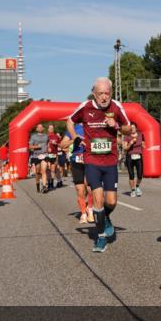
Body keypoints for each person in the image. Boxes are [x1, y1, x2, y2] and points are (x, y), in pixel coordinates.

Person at [67, 77, 134, 253]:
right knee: (97, 199)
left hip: (110, 160)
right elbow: (70, 121)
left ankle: (104, 217)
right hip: (92, 160)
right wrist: (74, 137)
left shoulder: (116, 107)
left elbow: (130, 128)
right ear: (94, 93)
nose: (104, 97)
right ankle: (101, 237)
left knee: (111, 201)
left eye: (107, 93)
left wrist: (117, 125)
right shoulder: (85, 106)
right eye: (100, 93)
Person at [65, 123, 95, 223]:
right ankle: (83, 213)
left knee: (90, 188)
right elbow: (62, 145)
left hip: (91, 159)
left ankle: (90, 210)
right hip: (76, 160)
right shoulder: (73, 129)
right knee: (80, 190)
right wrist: (74, 139)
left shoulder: (94, 126)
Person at [122, 129, 145, 197]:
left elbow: (143, 144)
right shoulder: (126, 136)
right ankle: (133, 190)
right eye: (131, 128)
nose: (132, 129)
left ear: (136, 128)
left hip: (138, 156)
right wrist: (131, 143)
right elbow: (125, 148)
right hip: (130, 157)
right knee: (131, 175)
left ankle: (137, 187)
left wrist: (144, 146)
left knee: (140, 175)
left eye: (134, 128)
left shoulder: (141, 135)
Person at [29, 123, 49, 192]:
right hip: (36, 155)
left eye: (41, 127)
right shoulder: (33, 136)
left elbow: (48, 144)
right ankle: (37, 183)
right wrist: (37, 147)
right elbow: (30, 146)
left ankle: (44, 186)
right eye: (39, 127)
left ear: (43, 128)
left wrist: (49, 148)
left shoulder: (46, 136)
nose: (40, 128)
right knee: (37, 171)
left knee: (44, 170)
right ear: (37, 129)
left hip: (44, 155)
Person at [46, 124, 63, 189]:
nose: (51, 129)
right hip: (47, 154)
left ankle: (51, 184)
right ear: (48, 129)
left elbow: (61, 145)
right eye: (50, 128)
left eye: (52, 128)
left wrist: (56, 143)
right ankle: (51, 182)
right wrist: (47, 148)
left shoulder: (56, 136)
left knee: (53, 169)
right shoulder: (46, 136)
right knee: (48, 169)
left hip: (54, 154)